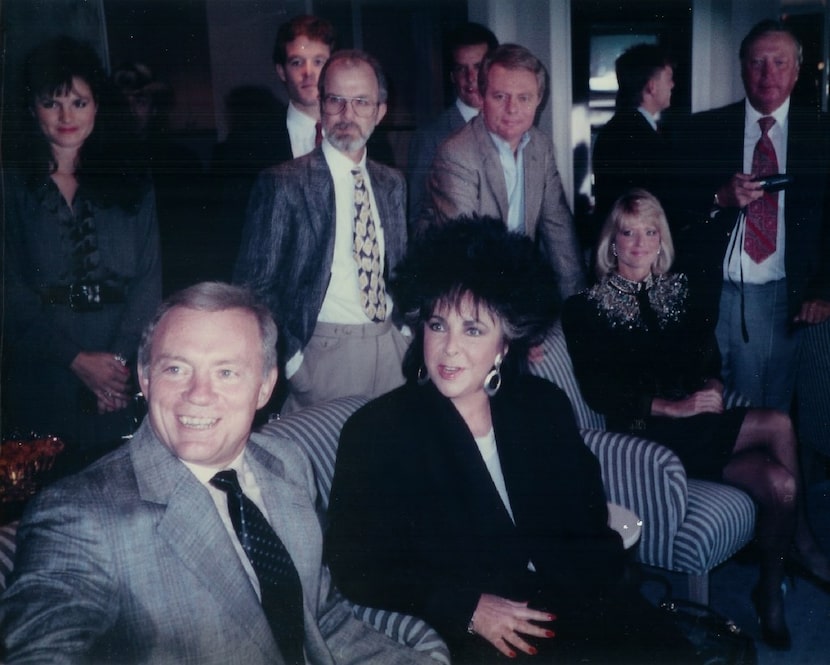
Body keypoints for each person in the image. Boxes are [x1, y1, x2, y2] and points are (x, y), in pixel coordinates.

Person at [0, 282, 435, 665]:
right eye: (176, 369)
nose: (198, 395)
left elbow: (319, 616)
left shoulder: (286, 464)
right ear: (146, 380)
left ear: (265, 387)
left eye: (226, 372)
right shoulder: (79, 515)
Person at [326, 217, 698, 664]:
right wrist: (467, 607)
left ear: (504, 345)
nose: (450, 349)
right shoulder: (378, 432)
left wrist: (605, 589)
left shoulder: (542, 406)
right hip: (487, 629)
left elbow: (587, 514)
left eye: (474, 330)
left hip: (575, 600)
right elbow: (353, 564)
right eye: (438, 325)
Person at [561, 189, 830, 651]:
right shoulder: (587, 307)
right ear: (612, 242)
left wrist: (713, 386)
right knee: (779, 424)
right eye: (628, 233)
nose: (640, 244)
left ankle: (768, 589)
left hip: (697, 428)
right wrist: (678, 407)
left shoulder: (676, 289)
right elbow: (602, 393)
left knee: (781, 485)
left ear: (661, 240)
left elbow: (707, 354)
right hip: (648, 437)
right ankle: (802, 545)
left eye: (650, 232)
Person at [1, 36, 161, 469]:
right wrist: (74, 360)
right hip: (44, 366)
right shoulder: (10, 188)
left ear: (98, 106)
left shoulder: (133, 181)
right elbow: (9, 290)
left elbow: (149, 280)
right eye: (52, 103)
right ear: (31, 110)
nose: (66, 116)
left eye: (79, 101)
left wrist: (117, 368)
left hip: (120, 371)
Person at [234, 50, 409, 414]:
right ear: (321, 105)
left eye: (361, 102)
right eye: (336, 101)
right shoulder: (284, 184)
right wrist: (294, 363)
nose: (348, 115)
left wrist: (406, 334)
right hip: (323, 358)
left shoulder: (392, 183)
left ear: (380, 111)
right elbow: (255, 289)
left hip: (391, 351)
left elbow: (401, 269)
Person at [676, 19, 830, 411]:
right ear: (742, 68)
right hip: (710, 294)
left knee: (765, 409)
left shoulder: (821, 136)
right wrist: (719, 197)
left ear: (797, 71)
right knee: (706, 402)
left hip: (779, 298)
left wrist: (823, 291)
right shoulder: (703, 130)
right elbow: (673, 211)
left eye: (779, 63)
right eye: (757, 62)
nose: (768, 74)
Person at [420, 44, 586, 303]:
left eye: (524, 98)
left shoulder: (540, 147)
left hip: (517, 288)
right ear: (482, 97)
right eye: (500, 96)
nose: (512, 109)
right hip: (465, 295)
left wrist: (577, 308)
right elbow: (469, 252)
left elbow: (559, 231)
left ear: (538, 100)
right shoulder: (456, 153)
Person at [406, 22, 498, 224]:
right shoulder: (429, 138)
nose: (471, 78)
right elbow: (414, 216)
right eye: (461, 69)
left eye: (478, 67)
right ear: (452, 77)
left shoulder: (511, 128)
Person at [592, 43, 675, 232]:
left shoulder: (620, 128)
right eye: (668, 78)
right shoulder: (637, 136)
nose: (672, 85)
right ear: (651, 86)